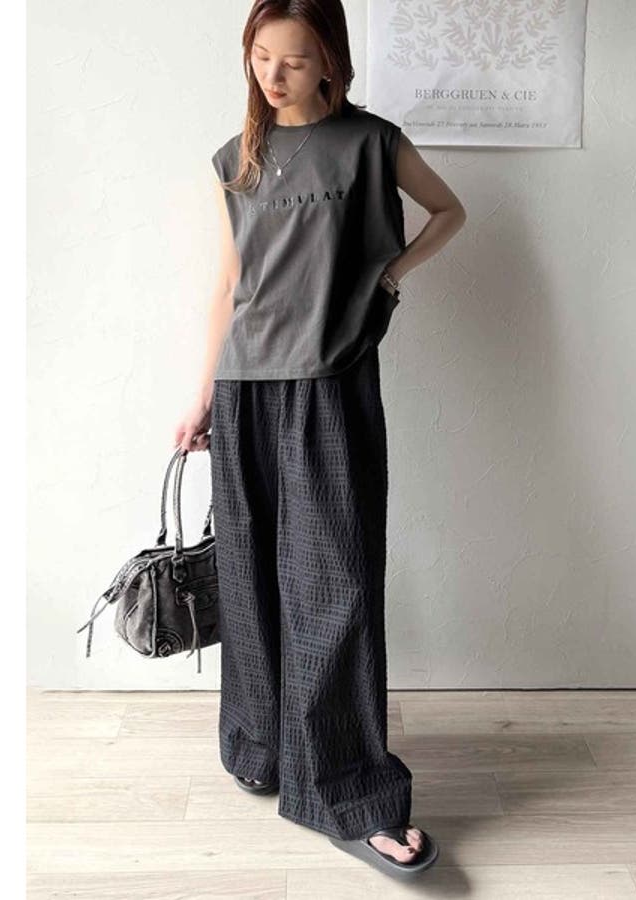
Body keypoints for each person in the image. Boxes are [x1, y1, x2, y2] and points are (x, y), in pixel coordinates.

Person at [173, 0, 466, 880]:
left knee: (333, 585)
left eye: (294, 59)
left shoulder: (372, 144)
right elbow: (229, 285)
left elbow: (449, 212)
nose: (273, 75)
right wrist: (200, 397)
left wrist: (390, 274)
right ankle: (261, 746)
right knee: (250, 575)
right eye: (261, 55)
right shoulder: (235, 157)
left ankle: (351, 793)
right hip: (244, 389)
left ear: (330, 60)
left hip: (330, 385)